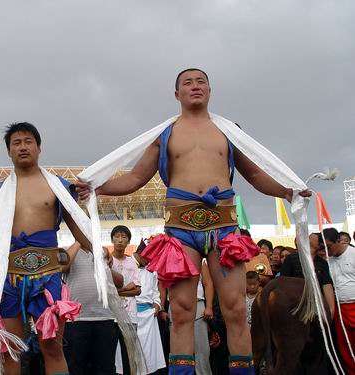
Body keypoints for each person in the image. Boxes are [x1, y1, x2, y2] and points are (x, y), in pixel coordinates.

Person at [76, 68, 310, 374]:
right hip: (181, 231)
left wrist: (288, 191)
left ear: (210, 90)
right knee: (183, 312)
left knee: (237, 310)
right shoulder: (164, 134)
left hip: (223, 229)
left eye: (201, 81)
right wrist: (99, 187)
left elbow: (254, 175)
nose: (195, 86)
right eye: (188, 82)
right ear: (177, 94)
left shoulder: (228, 131)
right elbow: (135, 178)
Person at [0, 122, 90, 375]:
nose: (23, 147)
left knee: (53, 347)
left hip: (47, 278)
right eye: (16, 143)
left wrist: (96, 252)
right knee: (9, 349)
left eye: (28, 141)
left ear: (39, 148)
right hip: (8, 279)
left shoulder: (59, 186)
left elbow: (78, 225)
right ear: (9, 151)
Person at [62, 242, 124, 375]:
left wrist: (105, 265)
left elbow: (120, 281)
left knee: (105, 368)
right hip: (76, 320)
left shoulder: (102, 253)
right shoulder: (67, 250)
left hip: (105, 319)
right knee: (75, 367)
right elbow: (63, 266)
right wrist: (79, 241)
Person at [322, 228, 355, 373]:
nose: (327, 251)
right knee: (345, 346)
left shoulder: (353, 254)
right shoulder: (327, 261)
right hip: (339, 310)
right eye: (324, 248)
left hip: (354, 306)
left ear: (339, 241)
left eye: (329, 246)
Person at [110, 225, 141, 375]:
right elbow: (107, 291)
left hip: (130, 314)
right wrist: (126, 289)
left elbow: (138, 290)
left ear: (128, 241)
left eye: (124, 237)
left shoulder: (131, 262)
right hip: (111, 314)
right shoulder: (107, 261)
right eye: (117, 236)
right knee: (109, 352)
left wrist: (118, 292)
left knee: (129, 351)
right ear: (112, 240)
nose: (120, 240)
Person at [281, 233, 335, 318]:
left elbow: (327, 285)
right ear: (308, 240)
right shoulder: (291, 259)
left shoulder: (322, 263)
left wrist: (331, 310)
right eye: (317, 236)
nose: (320, 238)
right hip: (295, 308)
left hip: (317, 307)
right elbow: (283, 284)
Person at [133, 240, 166, 375]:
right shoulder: (128, 265)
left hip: (148, 315)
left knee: (149, 352)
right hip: (131, 313)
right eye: (147, 257)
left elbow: (155, 291)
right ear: (140, 254)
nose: (150, 260)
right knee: (132, 350)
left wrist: (157, 305)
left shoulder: (152, 270)